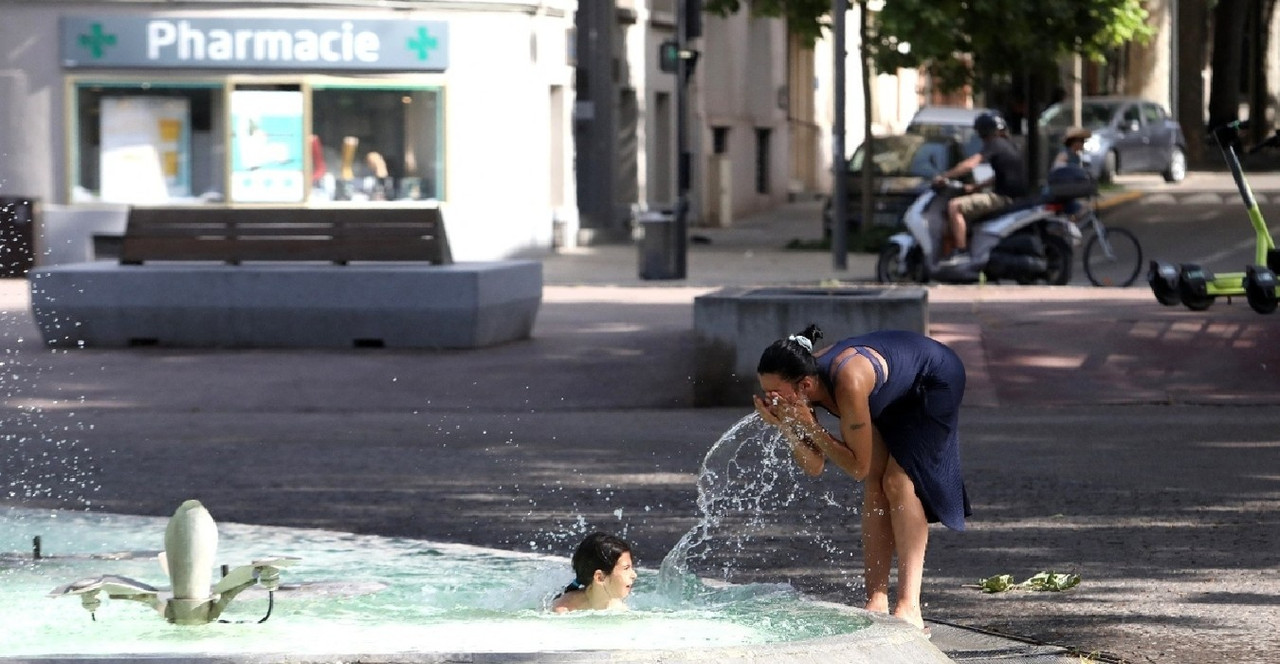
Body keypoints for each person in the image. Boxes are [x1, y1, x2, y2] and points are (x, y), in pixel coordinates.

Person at [752, 324, 970, 632]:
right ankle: (876, 600)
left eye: (776, 393)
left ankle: (909, 607)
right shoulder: (803, 388)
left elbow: (856, 467)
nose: (771, 399)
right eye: (766, 392)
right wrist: (787, 425)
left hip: (933, 381)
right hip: (892, 389)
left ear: (805, 386)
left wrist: (809, 426)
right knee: (876, 486)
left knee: (898, 482)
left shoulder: (848, 381)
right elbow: (814, 466)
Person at [933, 113, 1029, 263]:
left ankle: (961, 252)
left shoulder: (994, 144)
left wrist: (945, 176)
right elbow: (1002, 175)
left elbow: (971, 164)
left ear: (983, 132)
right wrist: (976, 186)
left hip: (1002, 198)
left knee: (954, 206)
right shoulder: (1010, 145)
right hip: (1013, 197)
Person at [550, 532, 638, 613]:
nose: (634, 575)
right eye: (626, 568)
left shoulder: (619, 609)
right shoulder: (562, 611)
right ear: (600, 577)